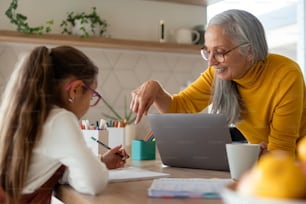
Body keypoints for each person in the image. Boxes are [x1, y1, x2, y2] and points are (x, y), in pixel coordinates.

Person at [130, 9, 306, 157]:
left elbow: (281, 151)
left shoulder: (286, 74)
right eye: (208, 52)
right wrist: (156, 89)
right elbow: (179, 107)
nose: (211, 62)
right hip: (266, 165)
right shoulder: (217, 74)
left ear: (249, 51)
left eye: (220, 52)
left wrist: (262, 154)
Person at [0, 45, 129, 204]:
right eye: (92, 96)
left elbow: (53, 168)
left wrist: (100, 161)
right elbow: (93, 182)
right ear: (75, 90)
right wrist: (97, 168)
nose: (90, 104)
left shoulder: (23, 116)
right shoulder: (60, 120)